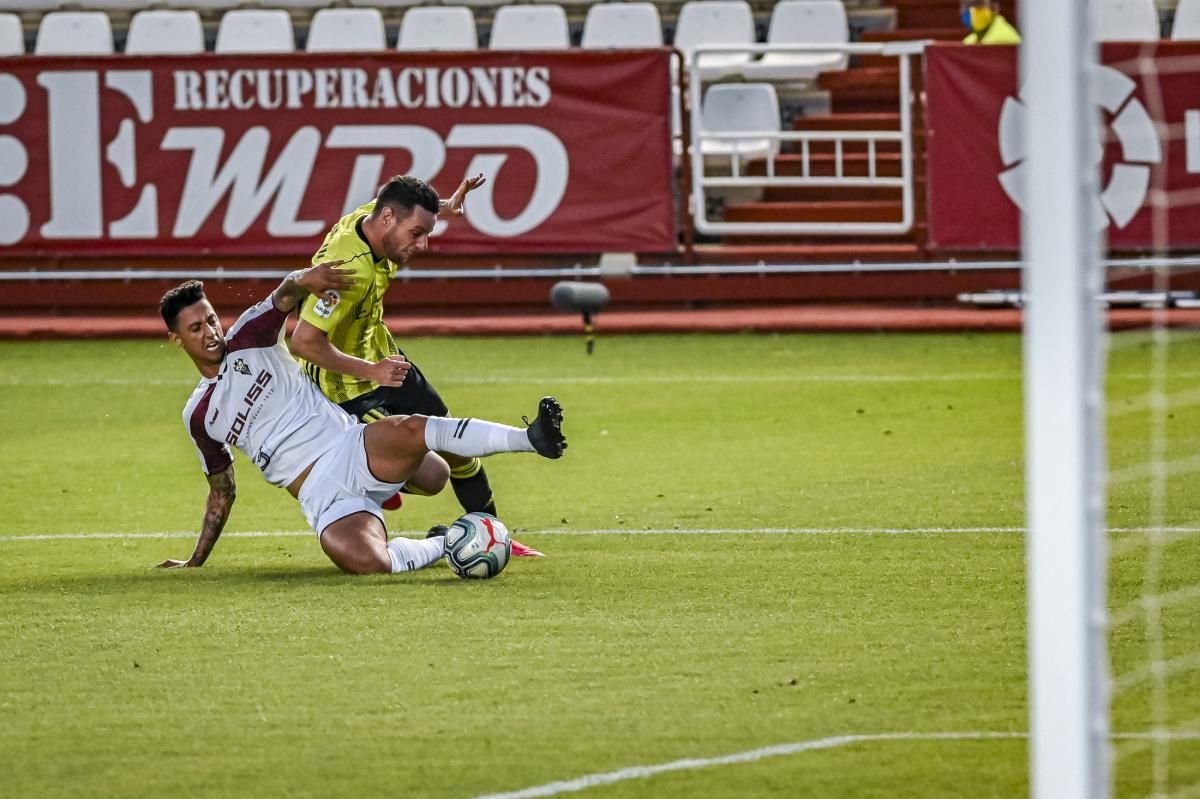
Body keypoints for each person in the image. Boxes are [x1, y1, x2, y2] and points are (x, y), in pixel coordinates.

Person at [156, 263, 566, 575]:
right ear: (177, 339)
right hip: (320, 495)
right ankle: (448, 542)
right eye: (195, 328)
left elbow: (284, 292)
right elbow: (222, 491)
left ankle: (530, 439)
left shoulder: (249, 336)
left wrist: (308, 276)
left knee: (431, 464)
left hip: (347, 446)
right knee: (369, 563)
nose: (211, 332)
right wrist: (196, 560)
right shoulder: (200, 415)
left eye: (211, 319)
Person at [289, 174, 544, 557]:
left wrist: (446, 203)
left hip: (388, 360)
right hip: (348, 389)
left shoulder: (375, 219)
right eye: (417, 233)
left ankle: (496, 533)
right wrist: (370, 371)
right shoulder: (345, 271)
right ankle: (380, 480)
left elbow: (397, 201)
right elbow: (303, 342)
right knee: (434, 475)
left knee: (457, 445)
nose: (422, 244)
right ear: (388, 220)